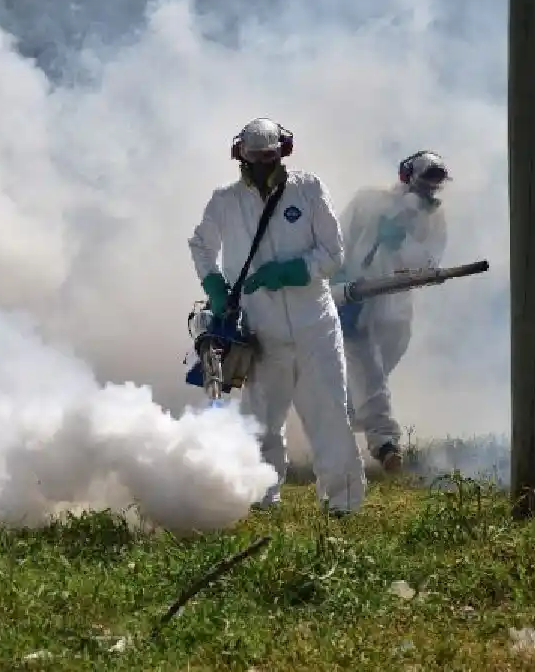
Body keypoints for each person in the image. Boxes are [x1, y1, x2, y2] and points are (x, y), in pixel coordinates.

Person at [188, 118, 366, 516]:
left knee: (331, 416)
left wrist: (294, 271)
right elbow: (200, 244)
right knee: (261, 419)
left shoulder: (308, 189)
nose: (262, 167)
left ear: (283, 152)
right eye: (254, 159)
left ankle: (344, 503)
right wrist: (214, 285)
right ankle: (260, 497)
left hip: (315, 324)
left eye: (269, 158)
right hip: (260, 328)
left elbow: (334, 254)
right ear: (240, 158)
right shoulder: (225, 201)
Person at [334, 151, 450, 473]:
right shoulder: (368, 201)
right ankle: (385, 444)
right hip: (356, 301)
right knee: (369, 373)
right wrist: (337, 278)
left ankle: (334, 424)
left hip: (396, 309)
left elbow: (429, 265)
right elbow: (336, 241)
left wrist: (401, 244)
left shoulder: (433, 219)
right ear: (406, 176)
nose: (428, 191)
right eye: (425, 182)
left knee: (373, 376)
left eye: (434, 186)